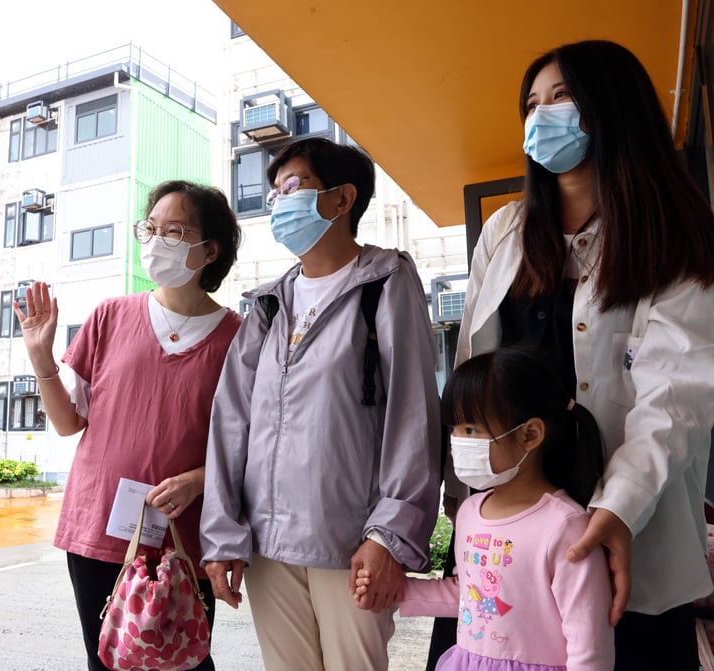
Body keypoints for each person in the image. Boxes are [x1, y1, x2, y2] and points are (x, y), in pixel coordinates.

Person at [436, 40, 714, 671]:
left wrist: (617, 508)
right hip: (513, 539)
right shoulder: (506, 232)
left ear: (611, 108)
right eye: (531, 104)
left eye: (561, 98)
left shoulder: (672, 234)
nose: (541, 117)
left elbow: (676, 393)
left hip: (625, 538)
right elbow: (473, 371)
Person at [200, 137, 441, 670]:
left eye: (294, 186)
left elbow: (413, 415)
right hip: (267, 547)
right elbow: (230, 422)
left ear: (342, 198)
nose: (280, 202)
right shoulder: (267, 304)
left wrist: (388, 535)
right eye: (274, 193)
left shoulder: (384, 282)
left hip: (351, 544)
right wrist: (222, 536)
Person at [14, 180, 242, 671]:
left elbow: (254, 442)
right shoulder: (112, 316)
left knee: (185, 661)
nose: (157, 241)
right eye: (151, 229)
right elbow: (66, 422)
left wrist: (201, 480)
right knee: (109, 661)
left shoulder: (239, 337)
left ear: (210, 250)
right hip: (100, 527)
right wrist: (41, 358)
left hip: (191, 535)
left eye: (175, 231)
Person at [358, 346, 615, 669]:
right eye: (454, 430)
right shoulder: (470, 512)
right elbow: (471, 597)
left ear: (530, 434)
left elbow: (588, 640)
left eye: (470, 429)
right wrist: (396, 591)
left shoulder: (566, 526)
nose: (456, 443)